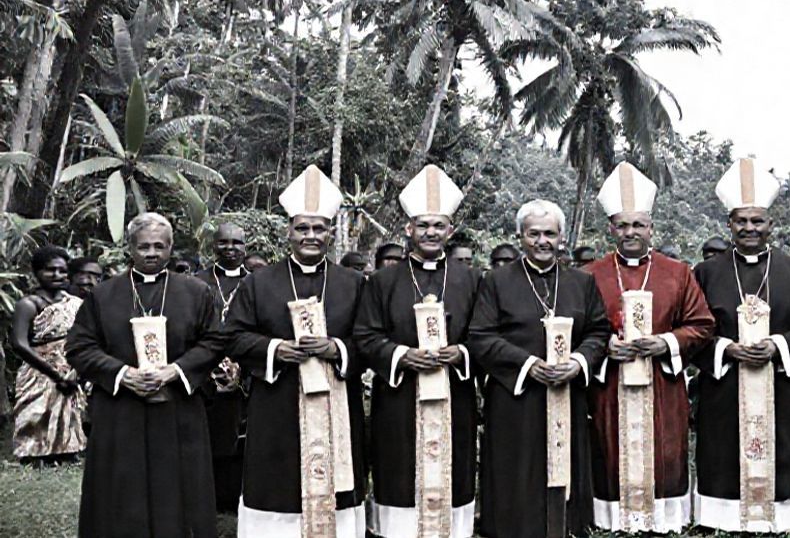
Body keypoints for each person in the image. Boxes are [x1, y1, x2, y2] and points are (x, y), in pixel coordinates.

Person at [691, 159, 790, 533]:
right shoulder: (706, 273)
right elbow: (689, 326)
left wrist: (780, 346)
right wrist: (724, 348)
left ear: (771, 224)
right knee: (722, 446)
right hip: (724, 383)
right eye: (741, 221)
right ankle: (720, 514)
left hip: (780, 383)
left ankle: (783, 514)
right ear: (729, 224)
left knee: (783, 444)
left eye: (757, 221)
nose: (749, 228)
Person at [226, 165, 368, 536]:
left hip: (338, 404)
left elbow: (369, 341)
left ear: (331, 233)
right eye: (302, 228)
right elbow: (233, 336)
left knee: (338, 491)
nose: (310, 236)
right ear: (288, 231)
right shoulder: (258, 283)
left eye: (319, 228)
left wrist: (336, 349)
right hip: (278, 405)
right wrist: (277, 350)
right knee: (277, 488)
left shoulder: (354, 284)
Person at [66, 213, 224, 537]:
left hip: (177, 406)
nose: (152, 253)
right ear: (130, 248)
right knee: (121, 486)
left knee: (178, 486)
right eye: (144, 247)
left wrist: (175, 370)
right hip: (120, 409)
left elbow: (215, 341)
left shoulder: (197, 292)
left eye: (159, 246)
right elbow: (79, 347)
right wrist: (122, 373)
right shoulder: (103, 295)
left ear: (170, 247)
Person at [582, 162, 714, 533]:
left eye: (638, 225)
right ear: (611, 229)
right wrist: (605, 346)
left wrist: (665, 342)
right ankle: (611, 517)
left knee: (665, 447)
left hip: (662, 381)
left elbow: (702, 324)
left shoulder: (678, 272)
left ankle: (665, 517)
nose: (630, 232)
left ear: (651, 227)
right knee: (609, 446)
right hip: (611, 382)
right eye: (622, 225)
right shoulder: (590, 275)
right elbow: (580, 329)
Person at [469, 199, 611, 538]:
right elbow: (480, 335)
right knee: (516, 473)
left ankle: (568, 530)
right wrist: (528, 365)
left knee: (567, 473)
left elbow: (598, 331)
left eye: (549, 233)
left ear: (562, 237)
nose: (542, 241)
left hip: (567, 393)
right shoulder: (496, 281)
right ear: (520, 236)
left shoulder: (581, 282)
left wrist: (578, 363)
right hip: (516, 398)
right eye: (534, 234)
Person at [354, 165, 479, 537]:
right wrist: (401, 356)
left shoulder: (471, 279)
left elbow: (485, 335)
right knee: (400, 475)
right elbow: (365, 334)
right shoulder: (382, 281)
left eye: (439, 225)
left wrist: (461, 354)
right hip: (400, 398)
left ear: (450, 231)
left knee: (453, 477)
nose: (430, 232)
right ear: (408, 229)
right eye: (423, 225)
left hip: (454, 396)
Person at [9, 245, 86, 463]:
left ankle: (66, 451)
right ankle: (34, 453)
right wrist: (55, 375)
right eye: (50, 270)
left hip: (69, 367)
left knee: (67, 411)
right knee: (36, 412)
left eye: (62, 271)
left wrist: (75, 371)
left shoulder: (74, 303)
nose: (57, 275)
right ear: (36, 273)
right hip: (38, 370)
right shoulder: (28, 304)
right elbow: (19, 343)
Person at [195, 222, 250, 512]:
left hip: (246, 369)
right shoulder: (197, 282)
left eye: (236, 242)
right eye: (223, 242)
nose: (230, 248)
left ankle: (234, 496)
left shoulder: (256, 282)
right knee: (208, 435)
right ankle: (208, 495)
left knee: (242, 435)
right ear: (213, 246)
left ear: (246, 247)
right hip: (206, 369)